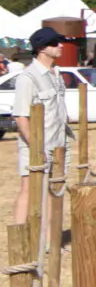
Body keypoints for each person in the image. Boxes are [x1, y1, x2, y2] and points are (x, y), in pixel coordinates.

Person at [12, 26, 70, 224]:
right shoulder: (28, 78)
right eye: (55, 43)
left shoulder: (56, 73)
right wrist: (37, 148)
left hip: (59, 143)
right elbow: (21, 117)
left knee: (54, 191)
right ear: (41, 48)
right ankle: (20, 242)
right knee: (29, 189)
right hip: (35, 145)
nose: (60, 46)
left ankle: (50, 243)